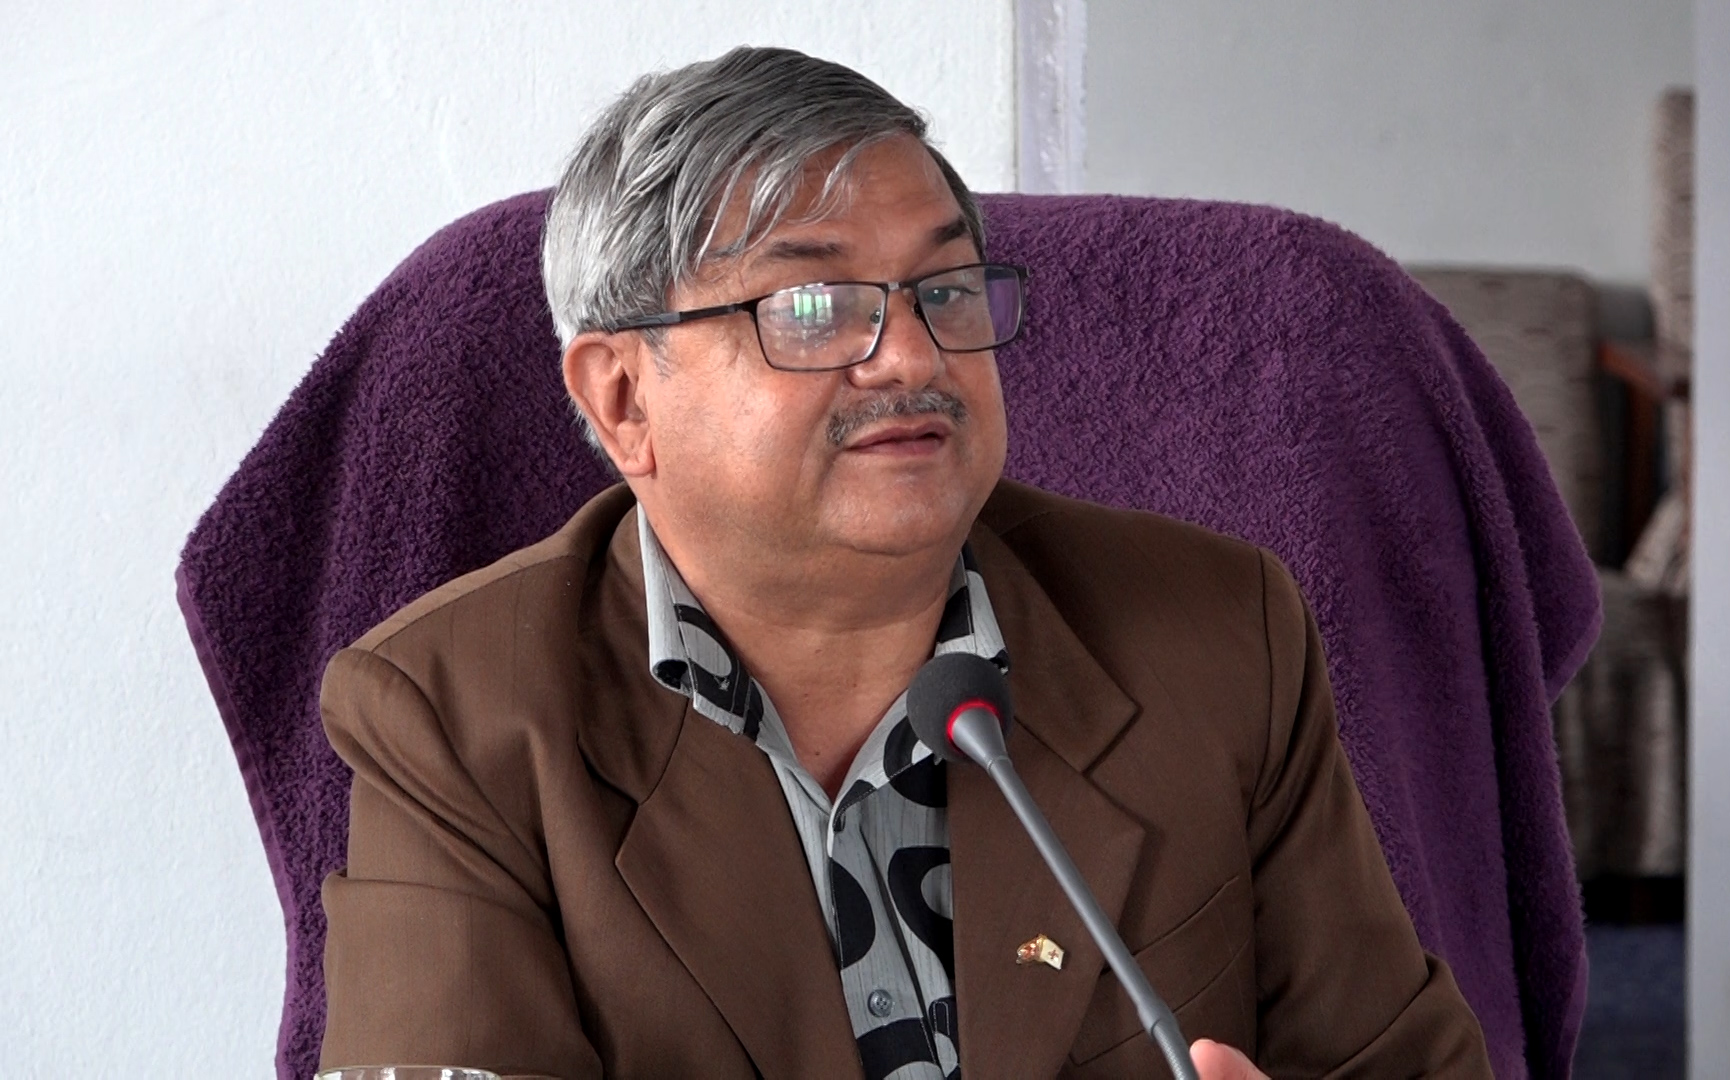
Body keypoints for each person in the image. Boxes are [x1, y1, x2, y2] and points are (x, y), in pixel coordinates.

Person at [316, 46, 1492, 1079]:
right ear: (624, 398)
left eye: (945, 290)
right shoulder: (454, 713)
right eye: (813, 305)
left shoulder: (1216, 632)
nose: (912, 357)